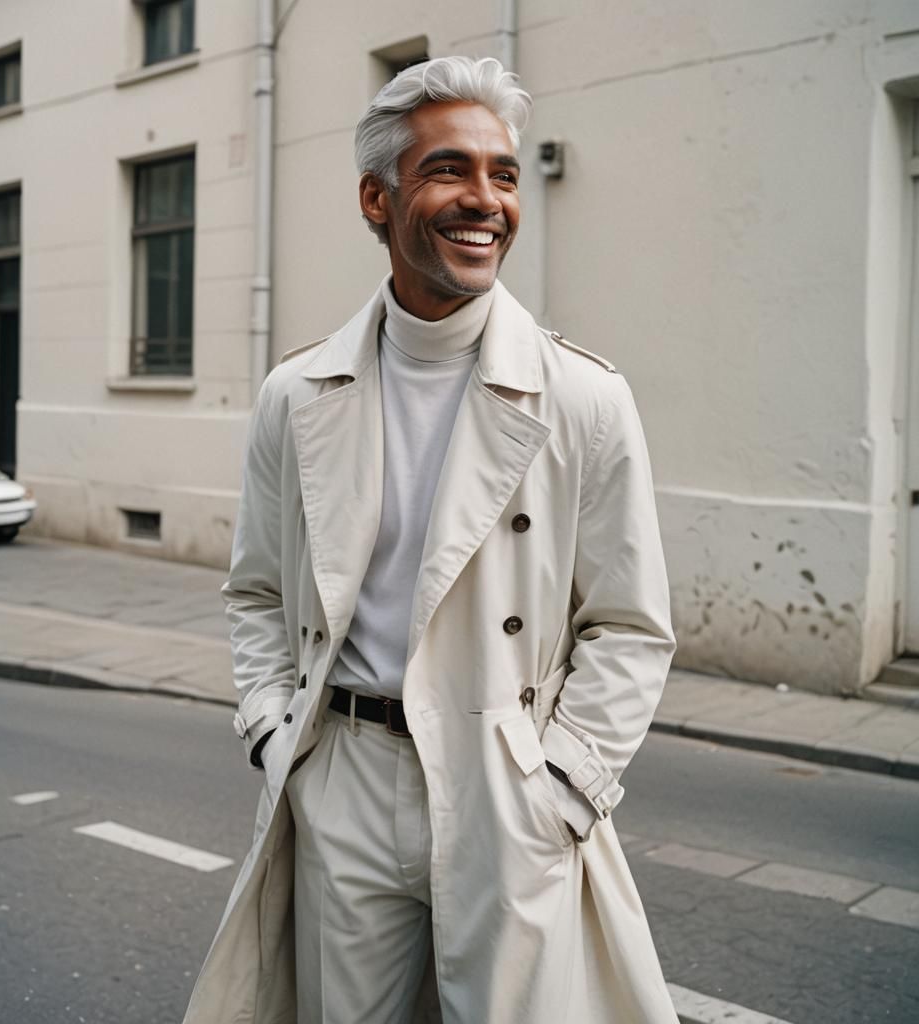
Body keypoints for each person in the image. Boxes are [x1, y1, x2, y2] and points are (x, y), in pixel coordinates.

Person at [184, 55, 678, 1024]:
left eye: (501, 173)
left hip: (506, 778)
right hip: (344, 775)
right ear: (377, 198)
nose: (484, 200)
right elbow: (254, 590)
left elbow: (629, 623)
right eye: (450, 170)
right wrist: (271, 726)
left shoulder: (582, 396)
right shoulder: (296, 394)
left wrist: (564, 786)